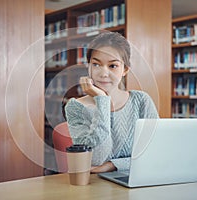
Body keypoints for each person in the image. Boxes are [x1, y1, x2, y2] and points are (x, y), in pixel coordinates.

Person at [64, 31, 159, 173]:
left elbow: (155, 153)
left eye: (113, 66)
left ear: (125, 69)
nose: (103, 73)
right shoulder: (75, 107)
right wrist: (102, 100)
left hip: (139, 181)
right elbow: (96, 158)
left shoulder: (141, 101)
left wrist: (112, 165)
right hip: (96, 188)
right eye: (96, 64)